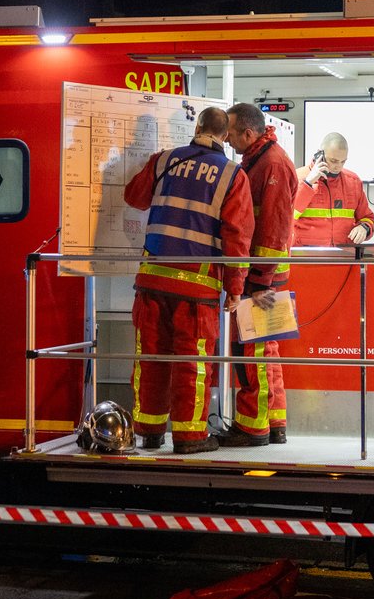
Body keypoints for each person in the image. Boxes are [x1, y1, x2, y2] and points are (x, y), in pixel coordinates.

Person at [123, 107, 255, 454]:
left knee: (151, 358)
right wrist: (235, 288)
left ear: (197, 127)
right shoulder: (232, 175)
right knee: (191, 365)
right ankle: (189, 436)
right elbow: (237, 238)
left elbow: (134, 198)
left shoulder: (164, 160)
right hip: (197, 288)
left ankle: (149, 432)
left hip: (151, 282)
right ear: (225, 135)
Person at [221, 102, 298, 446]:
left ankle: (253, 428)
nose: (227, 138)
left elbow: (272, 230)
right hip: (265, 276)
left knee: (253, 355)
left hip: (262, 279)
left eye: (232, 133)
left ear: (249, 134)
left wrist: (257, 283)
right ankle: (275, 423)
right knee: (267, 352)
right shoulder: (262, 159)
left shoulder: (272, 164)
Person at [292, 132, 374, 246]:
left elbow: (367, 218)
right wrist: (308, 183)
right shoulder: (297, 177)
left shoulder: (353, 182)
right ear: (319, 154)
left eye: (343, 162)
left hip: (343, 258)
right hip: (305, 259)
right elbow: (286, 218)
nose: (338, 167)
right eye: (333, 161)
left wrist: (364, 228)